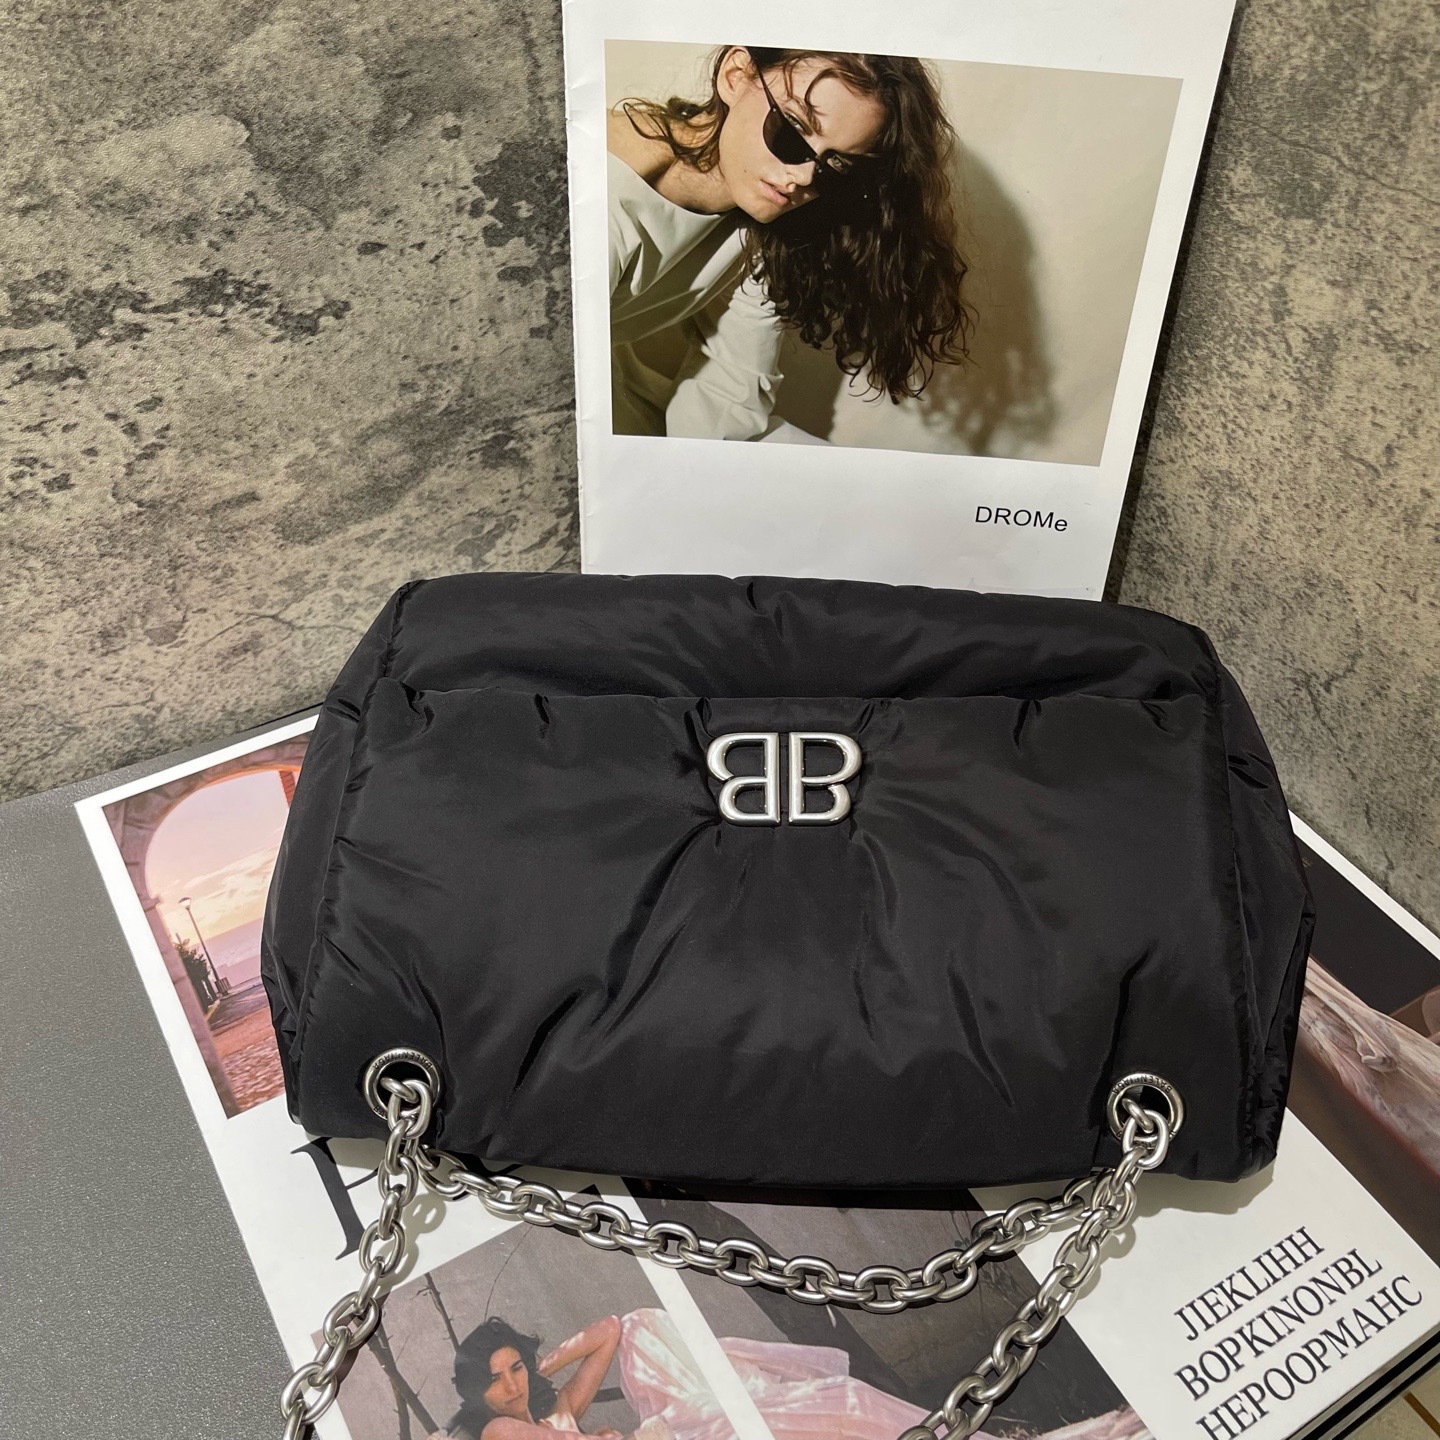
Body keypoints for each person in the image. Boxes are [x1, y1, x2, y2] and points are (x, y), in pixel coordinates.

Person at [607, 45, 972, 441]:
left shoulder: (765, 225)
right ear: (735, 76)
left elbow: (730, 394)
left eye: (836, 164)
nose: (803, 177)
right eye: (794, 130)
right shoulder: (597, 195)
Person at [435, 1315, 632, 1440]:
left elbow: (610, 1328)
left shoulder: (558, 1418)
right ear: (477, 1392)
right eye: (494, 1380)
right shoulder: (498, 1431)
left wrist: (534, 1371)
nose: (512, 1387)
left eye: (516, 1369)